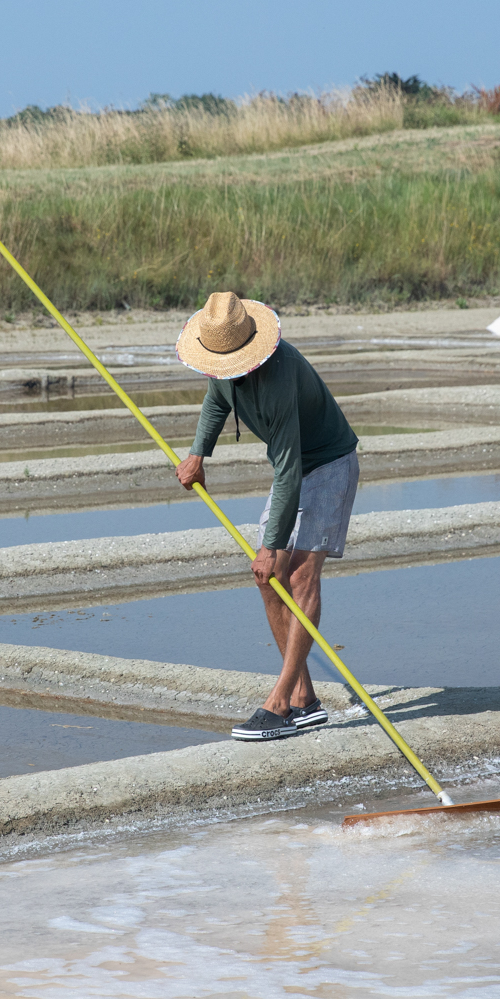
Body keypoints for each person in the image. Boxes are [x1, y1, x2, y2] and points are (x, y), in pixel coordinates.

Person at [174, 291, 359, 741]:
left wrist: (270, 545)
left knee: (297, 577)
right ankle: (304, 700)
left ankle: (279, 703)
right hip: (295, 469)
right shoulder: (223, 364)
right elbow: (217, 401)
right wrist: (199, 454)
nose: (224, 369)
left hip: (327, 464)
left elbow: (289, 467)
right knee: (268, 576)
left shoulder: (277, 377)